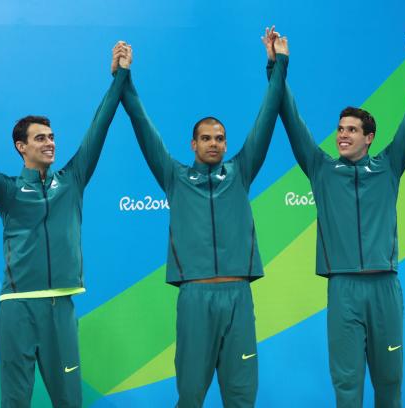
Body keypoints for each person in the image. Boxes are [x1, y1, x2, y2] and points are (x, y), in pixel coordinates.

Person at [262, 21, 405, 407]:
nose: (342, 135)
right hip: (343, 289)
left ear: (369, 137)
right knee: (347, 389)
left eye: (351, 130)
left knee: (390, 385)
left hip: (385, 290)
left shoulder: (390, 165)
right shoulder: (322, 168)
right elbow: (290, 118)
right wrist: (277, 67)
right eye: (339, 129)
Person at [0, 43, 130, 407]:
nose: (50, 143)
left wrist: (119, 75)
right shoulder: (8, 190)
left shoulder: (72, 180)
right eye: (40, 138)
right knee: (15, 401)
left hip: (61, 306)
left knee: (69, 401)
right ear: (20, 147)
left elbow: (100, 125)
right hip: (17, 307)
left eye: (52, 137)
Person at [113, 34, 289, 407]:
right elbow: (143, 126)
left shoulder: (241, 171)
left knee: (242, 396)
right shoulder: (175, 177)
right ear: (193, 144)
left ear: (227, 144)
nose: (214, 143)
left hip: (238, 296)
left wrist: (277, 64)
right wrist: (124, 77)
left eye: (220, 138)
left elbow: (268, 116)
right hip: (195, 298)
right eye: (206, 138)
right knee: (190, 395)